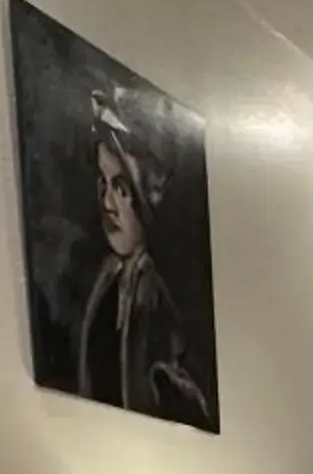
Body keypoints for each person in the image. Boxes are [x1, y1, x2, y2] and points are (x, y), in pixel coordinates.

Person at [74, 89, 213, 428]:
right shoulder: (107, 279)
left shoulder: (150, 293)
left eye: (121, 188)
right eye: (103, 183)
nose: (108, 202)